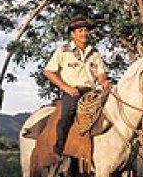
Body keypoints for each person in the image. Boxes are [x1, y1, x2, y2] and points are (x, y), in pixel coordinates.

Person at [43, 17, 112, 158]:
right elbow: (48, 71)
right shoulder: (63, 51)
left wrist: (104, 82)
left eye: (86, 30)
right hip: (73, 92)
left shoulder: (95, 53)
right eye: (80, 30)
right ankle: (59, 148)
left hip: (92, 92)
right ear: (73, 34)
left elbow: (101, 74)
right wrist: (66, 87)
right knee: (67, 115)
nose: (84, 33)